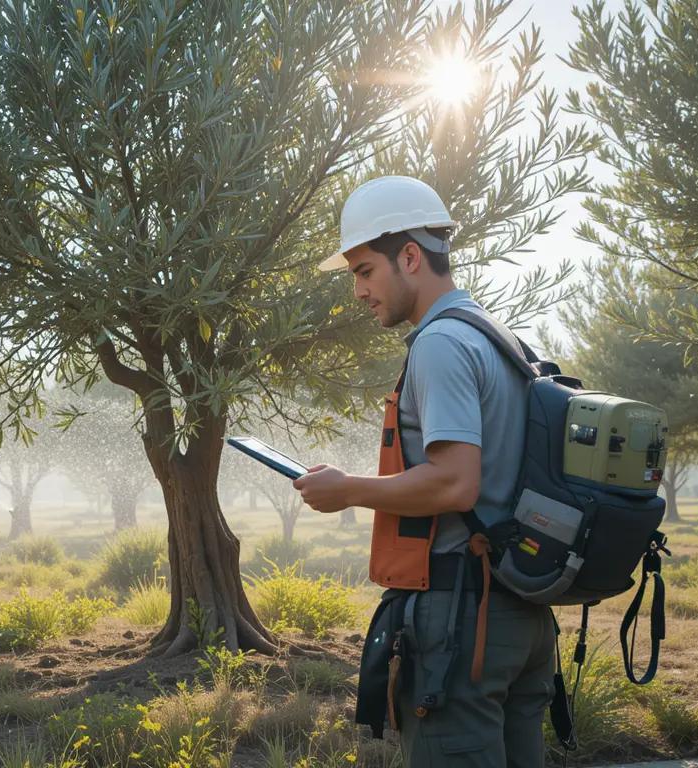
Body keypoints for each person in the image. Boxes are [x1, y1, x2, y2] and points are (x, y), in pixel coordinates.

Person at [293, 176, 556, 767]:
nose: (358, 291)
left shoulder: (440, 344)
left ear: (410, 256)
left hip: (463, 616)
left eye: (365, 271)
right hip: (519, 612)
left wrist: (348, 490)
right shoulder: (498, 337)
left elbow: (455, 481)